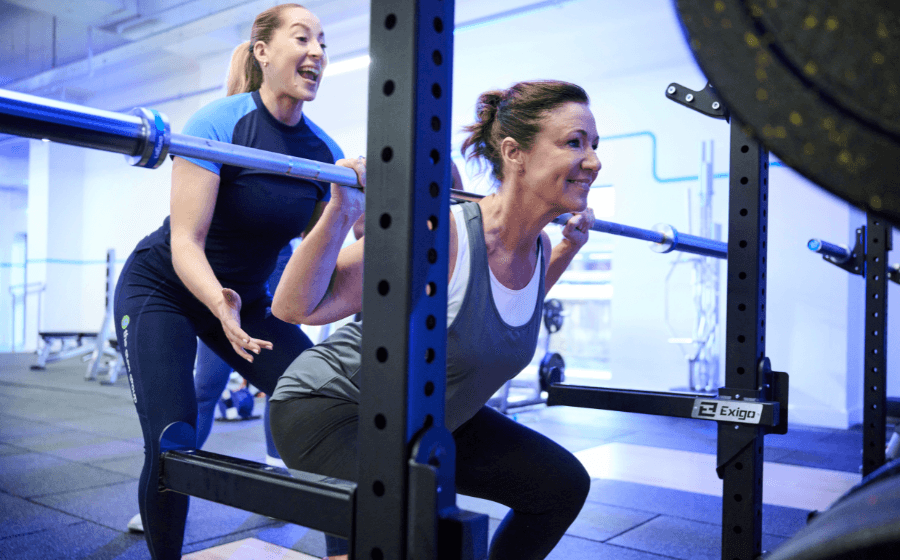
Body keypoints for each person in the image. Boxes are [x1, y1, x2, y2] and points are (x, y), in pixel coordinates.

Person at [269, 80, 600, 560]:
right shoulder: (442, 235)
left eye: (594, 145)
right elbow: (294, 307)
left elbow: (499, 314)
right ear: (514, 153)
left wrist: (569, 248)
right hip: (335, 409)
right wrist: (342, 210)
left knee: (559, 486)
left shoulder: (541, 247)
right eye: (574, 143)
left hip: (425, 412)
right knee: (416, 533)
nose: (593, 160)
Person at [113, 4, 341, 558]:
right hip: (165, 287)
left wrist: (353, 203)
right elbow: (186, 242)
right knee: (173, 439)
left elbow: (325, 259)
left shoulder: (325, 155)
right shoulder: (218, 123)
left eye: (323, 41)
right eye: (302, 38)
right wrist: (219, 305)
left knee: (333, 409)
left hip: (248, 302)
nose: (316, 51)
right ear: (263, 51)